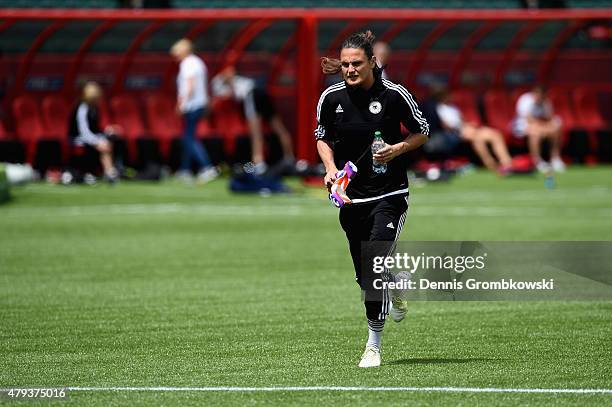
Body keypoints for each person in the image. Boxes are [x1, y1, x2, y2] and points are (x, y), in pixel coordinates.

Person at [316, 31, 429, 368]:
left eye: (357, 64)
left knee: (374, 260)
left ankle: (373, 345)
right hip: (352, 199)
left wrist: (399, 149)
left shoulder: (394, 95)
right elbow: (321, 136)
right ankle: (396, 281)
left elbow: (422, 130)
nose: (349, 70)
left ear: (371, 63)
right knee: (366, 275)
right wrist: (331, 169)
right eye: (346, 64)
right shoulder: (331, 98)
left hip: (390, 194)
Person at [211, 66, 295, 174]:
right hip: (261, 92)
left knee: (256, 132)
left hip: (253, 94)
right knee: (278, 128)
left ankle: (260, 163)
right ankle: (289, 158)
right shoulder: (224, 86)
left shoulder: (241, 84)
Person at [170, 38, 218, 183]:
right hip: (200, 103)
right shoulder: (198, 62)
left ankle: (207, 166)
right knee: (188, 137)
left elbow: (189, 85)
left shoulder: (188, 63)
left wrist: (181, 103)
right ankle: (185, 169)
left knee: (189, 138)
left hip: (192, 105)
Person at [435, 88, 513, 174]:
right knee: (477, 139)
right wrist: (461, 128)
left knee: (495, 134)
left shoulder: (453, 107)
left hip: (467, 129)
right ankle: (490, 164)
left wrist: (469, 125)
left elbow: (462, 120)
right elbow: (445, 126)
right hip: (455, 133)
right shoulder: (439, 108)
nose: (450, 97)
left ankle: (507, 163)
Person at [68, 81, 120, 183]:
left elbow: (95, 128)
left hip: (89, 138)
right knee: (103, 144)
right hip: (77, 139)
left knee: (109, 139)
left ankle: (109, 171)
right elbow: (84, 132)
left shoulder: (94, 108)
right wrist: (97, 142)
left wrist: (107, 131)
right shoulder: (82, 108)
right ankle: (109, 172)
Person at [514, 85, 566, 173]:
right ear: (534, 94)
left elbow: (549, 117)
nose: (540, 98)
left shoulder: (545, 101)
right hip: (522, 126)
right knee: (535, 133)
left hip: (541, 125)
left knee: (555, 129)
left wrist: (546, 127)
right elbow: (529, 120)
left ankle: (555, 159)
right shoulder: (525, 100)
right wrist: (543, 128)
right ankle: (537, 161)